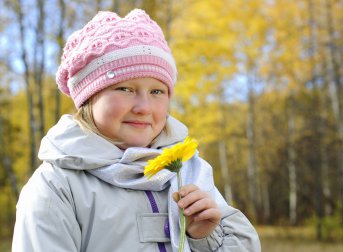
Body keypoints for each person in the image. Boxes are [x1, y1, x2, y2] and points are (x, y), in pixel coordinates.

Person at [12, 9, 261, 252]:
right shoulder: (57, 186)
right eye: (125, 89)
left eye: (157, 92)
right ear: (89, 97)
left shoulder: (189, 170)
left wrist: (205, 237)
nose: (143, 107)